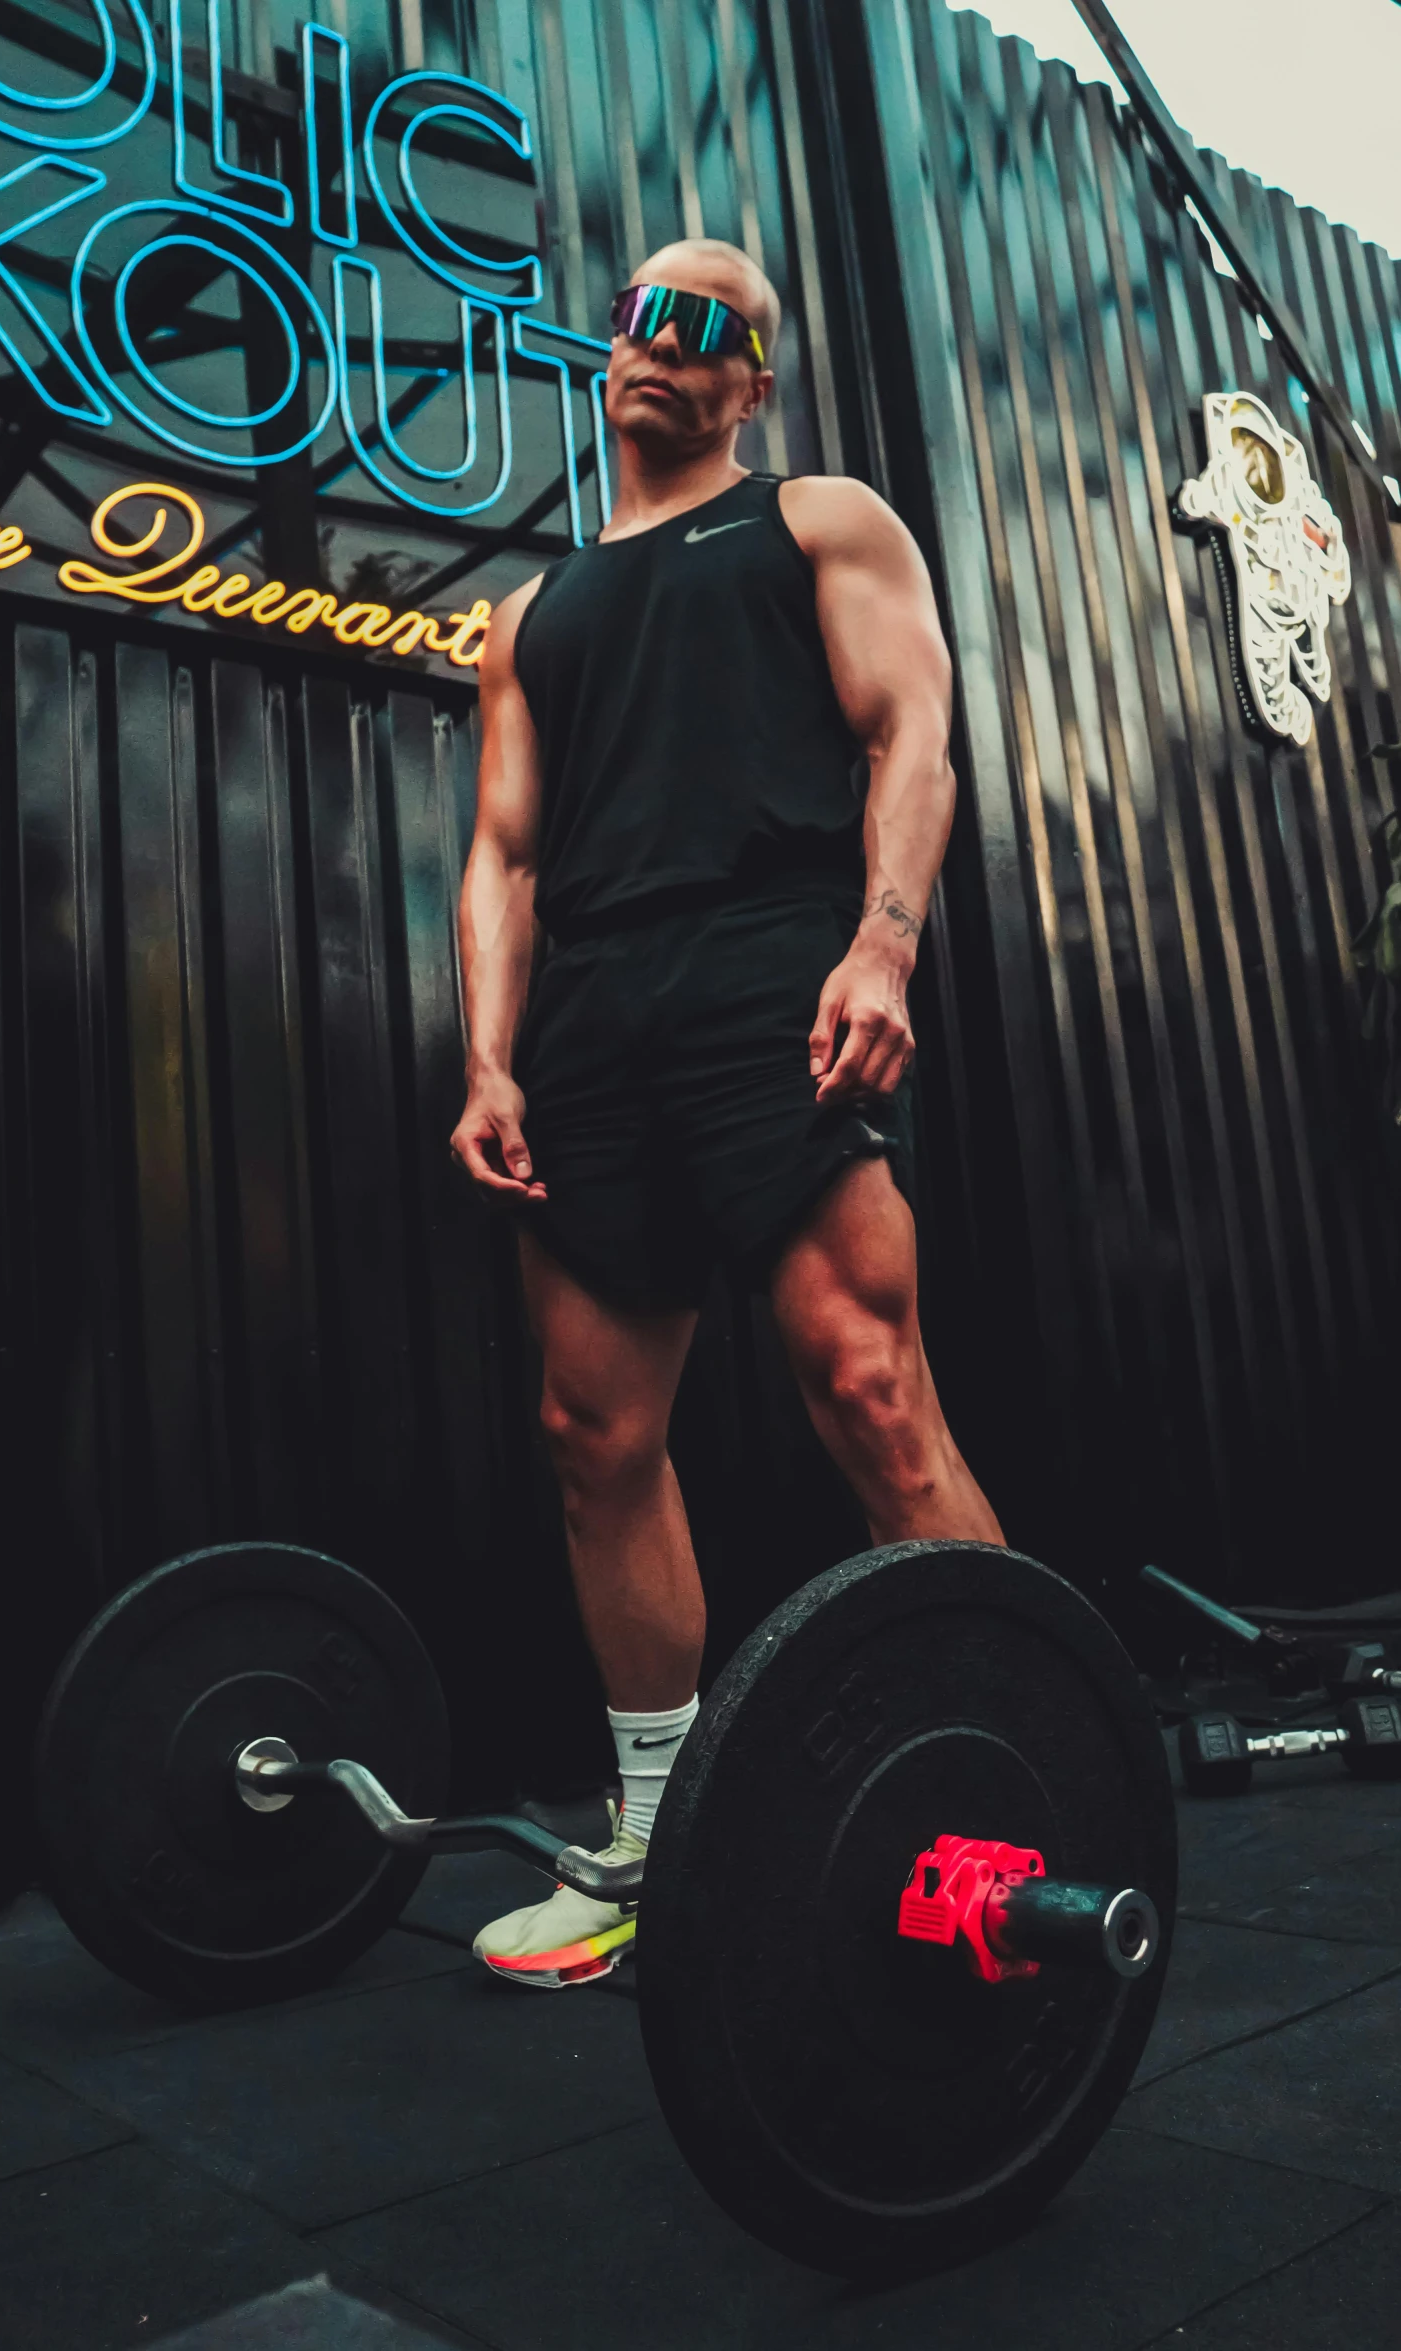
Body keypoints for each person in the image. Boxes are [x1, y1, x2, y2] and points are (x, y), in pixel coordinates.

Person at [449, 239, 1003, 1989]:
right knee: (588, 1434)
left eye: (709, 328)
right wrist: (488, 1057)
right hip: (595, 1017)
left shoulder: (817, 520)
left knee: (864, 1379)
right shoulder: (532, 615)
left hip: (775, 968)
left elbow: (915, 729)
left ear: (750, 383)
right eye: (640, 315)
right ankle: (650, 1842)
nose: (661, 344)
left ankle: (1013, 1783)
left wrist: (881, 945)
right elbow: (506, 853)